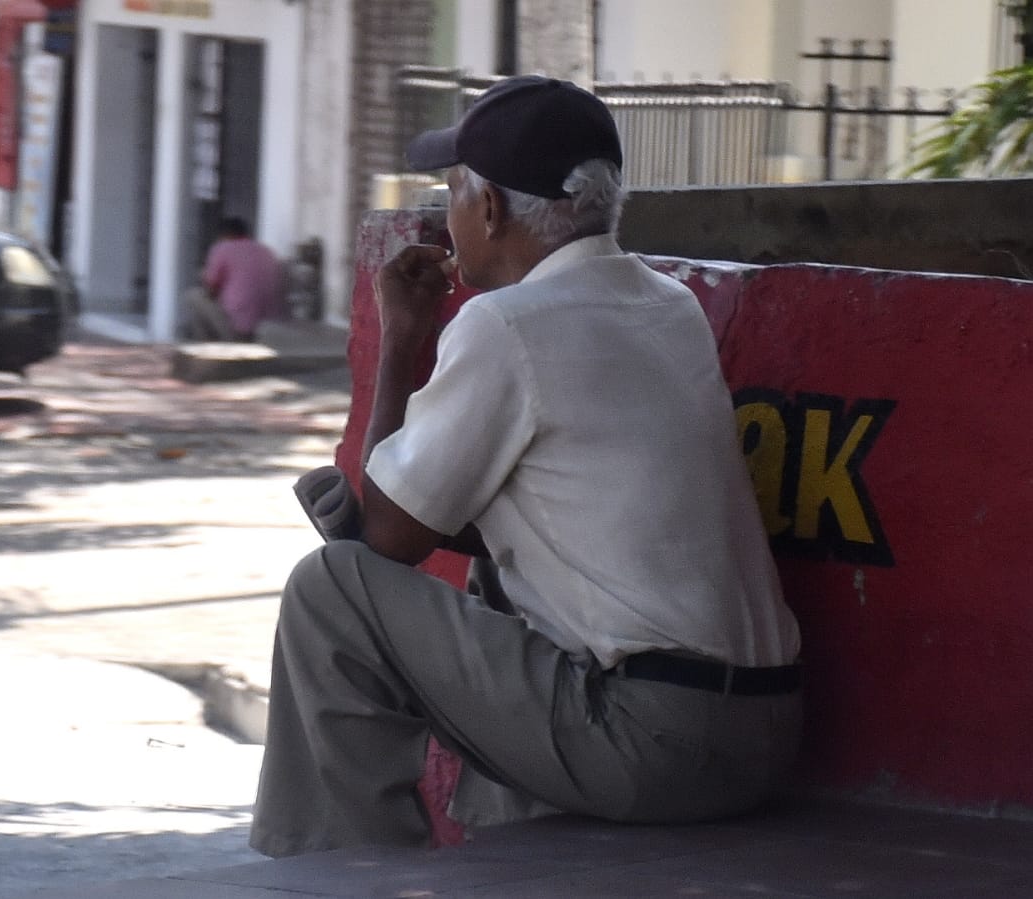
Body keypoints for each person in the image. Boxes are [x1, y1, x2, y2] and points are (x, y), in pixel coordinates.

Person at [250, 76, 804, 858]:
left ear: (489, 209)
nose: (446, 214)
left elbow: (385, 542)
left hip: (652, 743)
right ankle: (507, 845)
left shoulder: (507, 325)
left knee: (329, 585)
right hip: (765, 733)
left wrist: (402, 339)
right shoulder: (669, 304)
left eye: (452, 192)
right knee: (503, 580)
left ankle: (348, 870)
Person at [185, 217, 286, 342]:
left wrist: (204, 276)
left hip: (238, 328)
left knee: (193, 296)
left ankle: (206, 347)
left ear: (223, 234)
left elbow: (210, 289)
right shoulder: (266, 251)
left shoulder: (223, 248)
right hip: (267, 327)